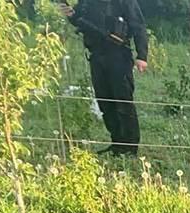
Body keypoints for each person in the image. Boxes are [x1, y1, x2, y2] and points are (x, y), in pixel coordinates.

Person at [60, 0, 149, 156]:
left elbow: (138, 26)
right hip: (96, 55)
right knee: (105, 101)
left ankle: (129, 148)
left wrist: (142, 55)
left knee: (122, 101)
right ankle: (117, 143)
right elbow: (79, 18)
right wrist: (71, 15)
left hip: (118, 54)